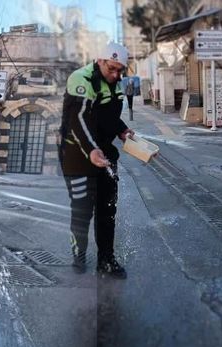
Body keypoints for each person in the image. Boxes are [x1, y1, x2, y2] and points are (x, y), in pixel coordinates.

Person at [58, 42, 135, 278]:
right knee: (82, 211)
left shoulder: (115, 82)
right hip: (77, 156)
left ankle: (106, 260)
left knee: (107, 209)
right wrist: (92, 150)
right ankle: (79, 254)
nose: (116, 75)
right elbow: (79, 120)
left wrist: (122, 130)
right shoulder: (81, 79)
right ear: (100, 60)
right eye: (112, 68)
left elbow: (107, 115)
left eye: (120, 70)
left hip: (105, 154)